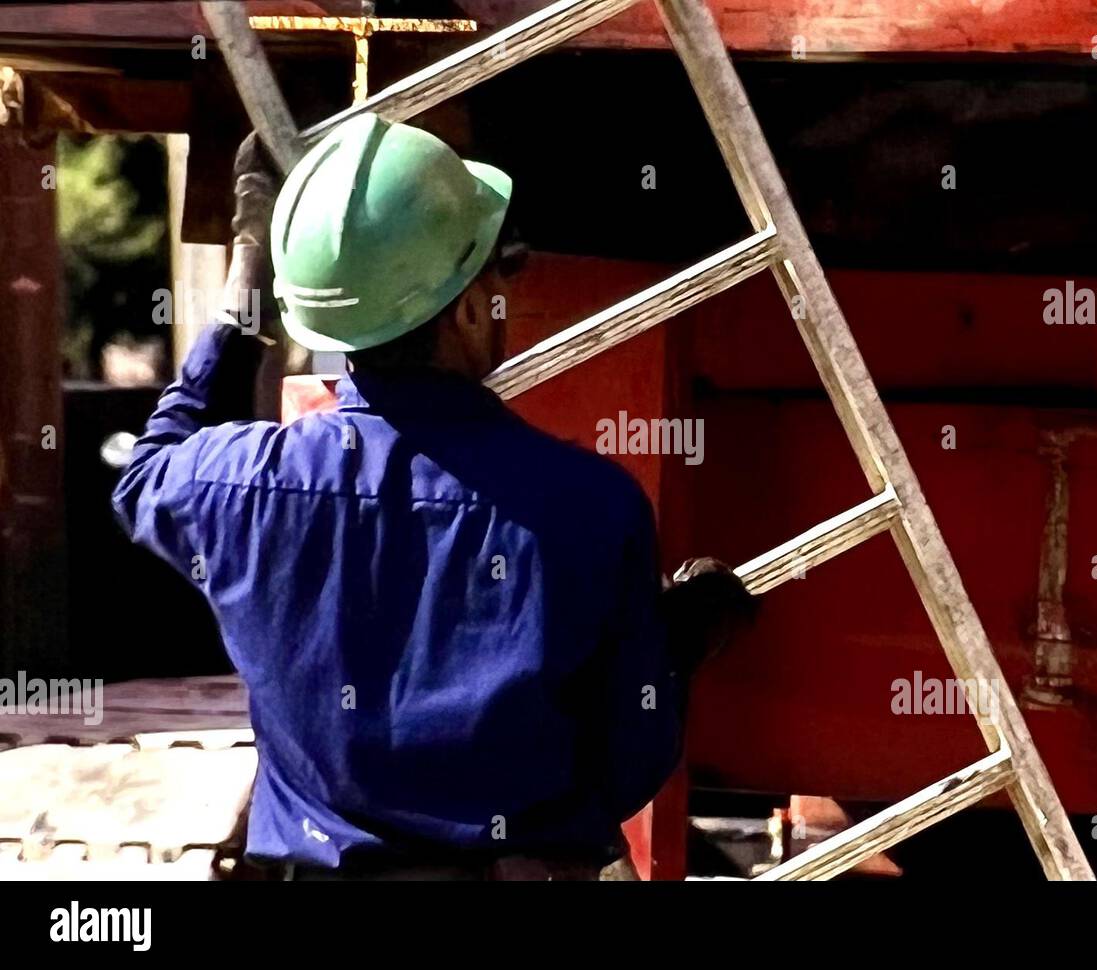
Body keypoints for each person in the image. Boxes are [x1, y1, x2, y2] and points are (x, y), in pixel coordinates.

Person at [113, 113, 757, 880]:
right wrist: (671, 651)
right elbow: (626, 765)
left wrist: (240, 312)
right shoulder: (595, 506)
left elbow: (146, 472)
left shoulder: (239, 487)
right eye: (495, 273)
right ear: (465, 311)